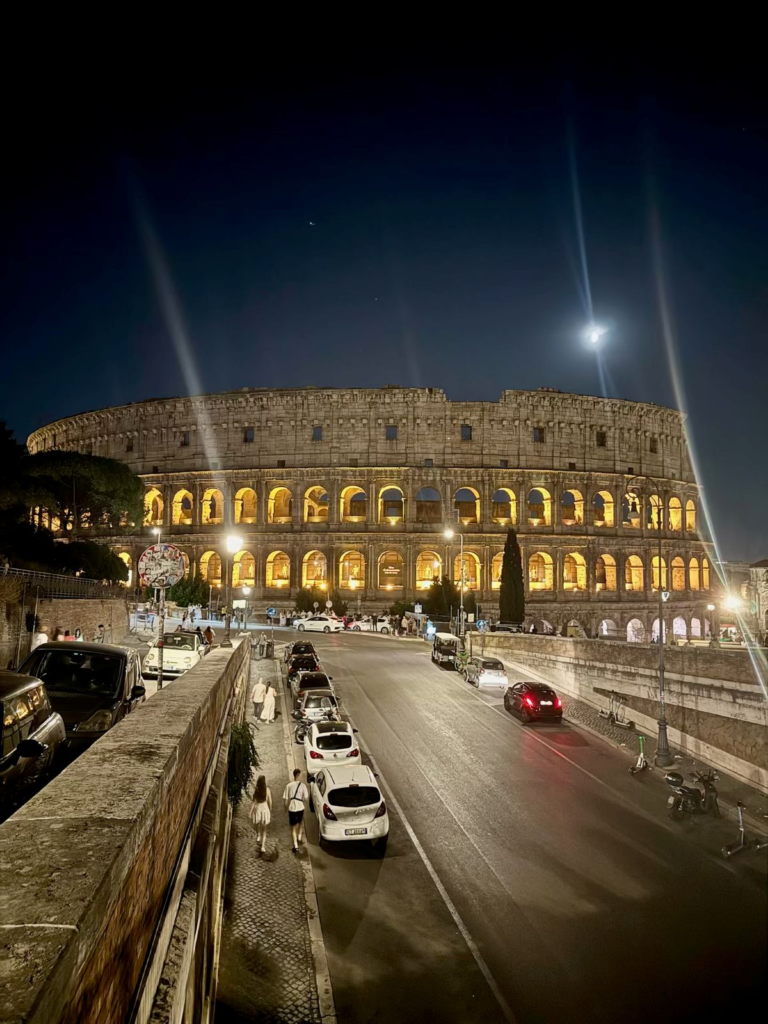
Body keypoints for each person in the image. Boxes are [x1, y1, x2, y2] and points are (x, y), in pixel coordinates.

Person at [283, 768, 309, 852]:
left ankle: (295, 845)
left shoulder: (288, 785)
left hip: (292, 808)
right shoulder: (303, 785)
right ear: (298, 775)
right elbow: (306, 798)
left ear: (294, 775)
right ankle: (299, 836)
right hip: (300, 807)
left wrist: (285, 808)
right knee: (300, 822)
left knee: (293, 827)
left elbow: (286, 799)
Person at [250, 775, 272, 854]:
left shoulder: (256, 790)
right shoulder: (267, 790)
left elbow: (254, 802)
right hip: (265, 808)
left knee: (257, 823)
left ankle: (258, 835)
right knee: (264, 829)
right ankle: (263, 846)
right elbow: (270, 801)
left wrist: (250, 811)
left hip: (258, 808)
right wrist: (270, 809)